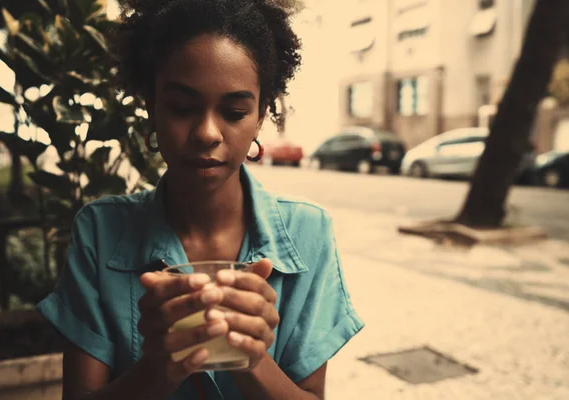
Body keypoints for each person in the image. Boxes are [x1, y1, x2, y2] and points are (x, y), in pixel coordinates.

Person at [35, 0, 364, 399]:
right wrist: (160, 367)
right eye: (181, 107)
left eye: (235, 110)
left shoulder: (309, 232)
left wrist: (252, 358)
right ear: (151, 106)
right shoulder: (100, 231)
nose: (207, 132)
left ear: (261, 115)